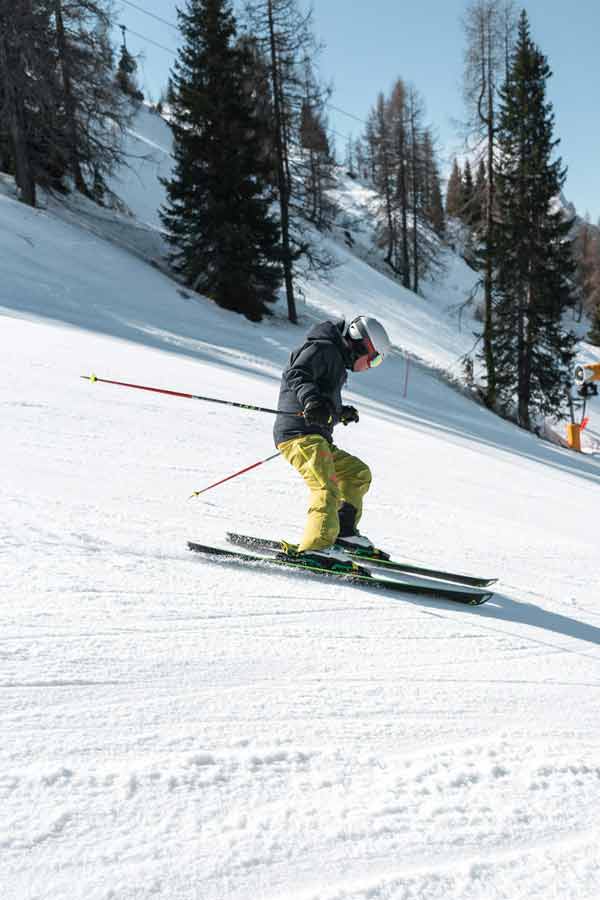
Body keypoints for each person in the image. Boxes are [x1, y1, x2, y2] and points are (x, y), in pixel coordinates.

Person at [273, 315, 392, 570]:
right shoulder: (323, 348)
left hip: (316, 436)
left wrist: (339, 412)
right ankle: (317, 546)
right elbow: (296, 374)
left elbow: (321, 404)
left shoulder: (335, 359)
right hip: (299, 434)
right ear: (361, 344)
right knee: (326, 487)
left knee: (357, 473)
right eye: (375, 359)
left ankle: (344, 532)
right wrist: (311, 402)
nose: (371, 366)